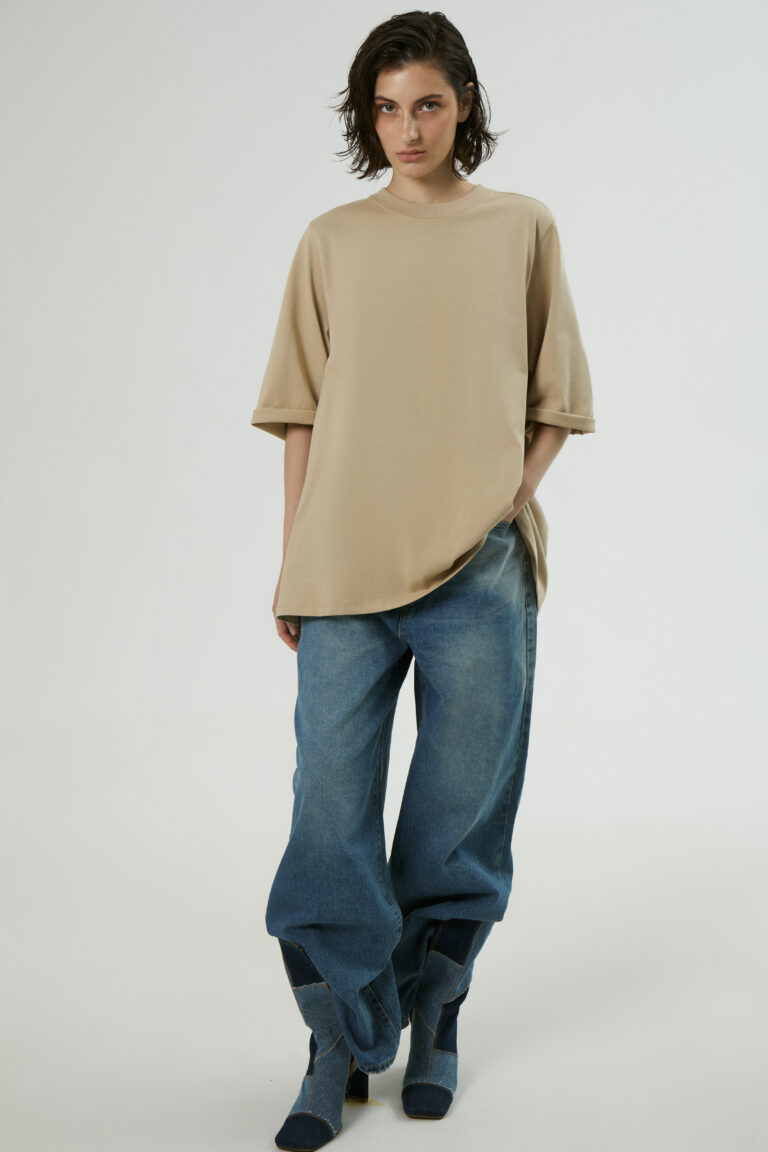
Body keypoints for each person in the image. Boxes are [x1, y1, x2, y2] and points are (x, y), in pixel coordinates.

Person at [250, 12, 595, 1150]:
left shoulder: (520, 227)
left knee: (459, 812)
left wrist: (506, 498)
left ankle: (433, 1010)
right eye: (388, 108)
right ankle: (339, 1039)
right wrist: (293, 555)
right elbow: (298, 411)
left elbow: (557, 400)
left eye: (428, 104)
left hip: (479, 573)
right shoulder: (332, 240)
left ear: (464, 106)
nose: (407, 128)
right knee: (328, 806)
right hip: (344, 564)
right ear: (369, 117)